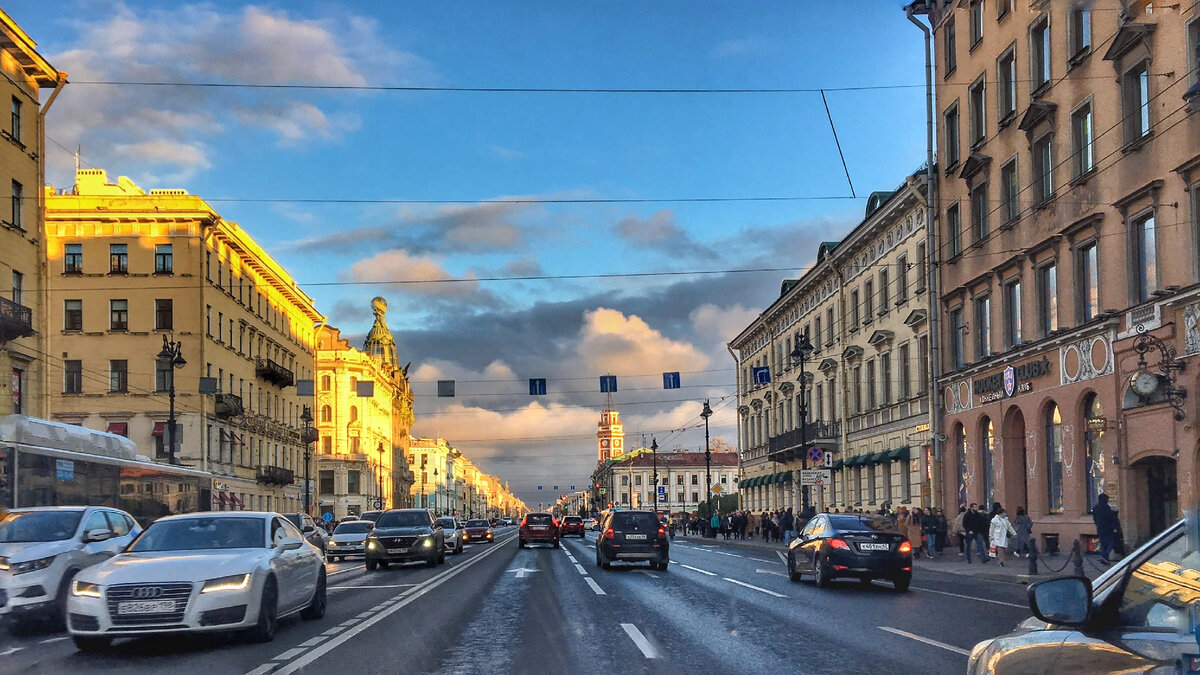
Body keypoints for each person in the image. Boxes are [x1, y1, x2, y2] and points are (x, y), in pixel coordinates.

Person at [1093, 493, 1120, 563]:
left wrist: (1098, 524)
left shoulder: (1095, 508)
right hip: (1108, 528)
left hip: (1100, 528)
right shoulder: (1106, 508)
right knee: (1111, 542)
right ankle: (1105, 555)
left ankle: (1104, 557)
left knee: (1103, 543)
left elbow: (1095, 519)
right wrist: (1115, 527)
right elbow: (1111, 518)